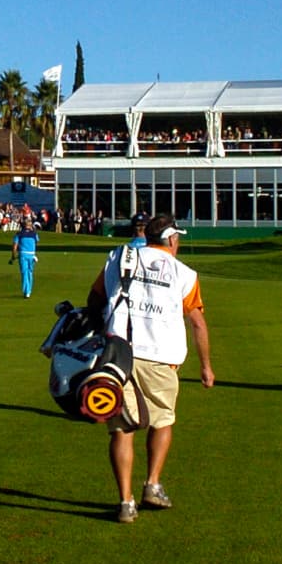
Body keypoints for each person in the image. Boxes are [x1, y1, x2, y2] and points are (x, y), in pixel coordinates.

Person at [85, 213, 215, 524]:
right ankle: (152, 484)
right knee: (162, 421)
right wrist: (206, 367)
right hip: (162, 355)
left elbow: (95, 298)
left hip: (119, 354)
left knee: (122, 429)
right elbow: (197, 322)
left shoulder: (119, 257)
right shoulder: (185, 273)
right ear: (171, 239)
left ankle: (125, 502)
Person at [11, 218, 39, 298]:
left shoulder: (19, 234)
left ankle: (26, 291)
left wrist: (13, 256)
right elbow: (36, 242)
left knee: (24, 273)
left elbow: (15, 246)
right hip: (31, 255)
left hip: (23, 255)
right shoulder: (34, 233)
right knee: (29, 272)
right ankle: (28, 291)